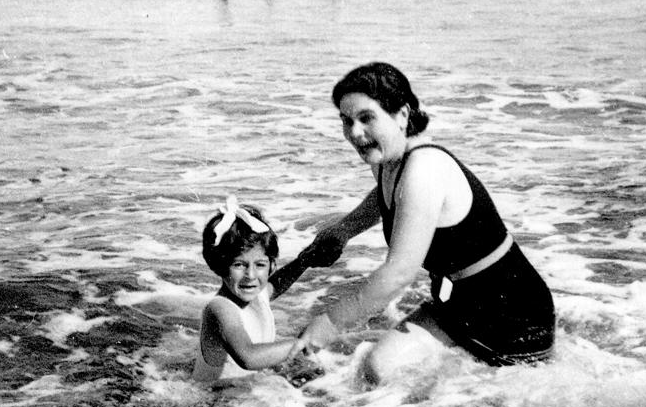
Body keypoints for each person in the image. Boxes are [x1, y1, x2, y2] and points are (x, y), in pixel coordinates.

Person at [296, 62, 556, 382]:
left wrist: (329, 324)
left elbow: (398, 274)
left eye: (366, 118)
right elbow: (386, 196)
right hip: (459, 303)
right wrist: (345, 229)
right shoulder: (388, 160)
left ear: (402, 115)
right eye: (346, 121)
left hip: (514, 315)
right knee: (378, 371)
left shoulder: (424, 167)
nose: (355, 133)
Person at [192, 196, 310, 384]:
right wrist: (299, 344)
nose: (251, 275)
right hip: (210, 403)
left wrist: (305, 261)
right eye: (239, 264)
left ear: (272, 265)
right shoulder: (221, 308)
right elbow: (248, 357)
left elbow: (276, 284)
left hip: (241, 393)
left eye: (260, 264)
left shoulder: (257, 294)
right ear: (219, 266)